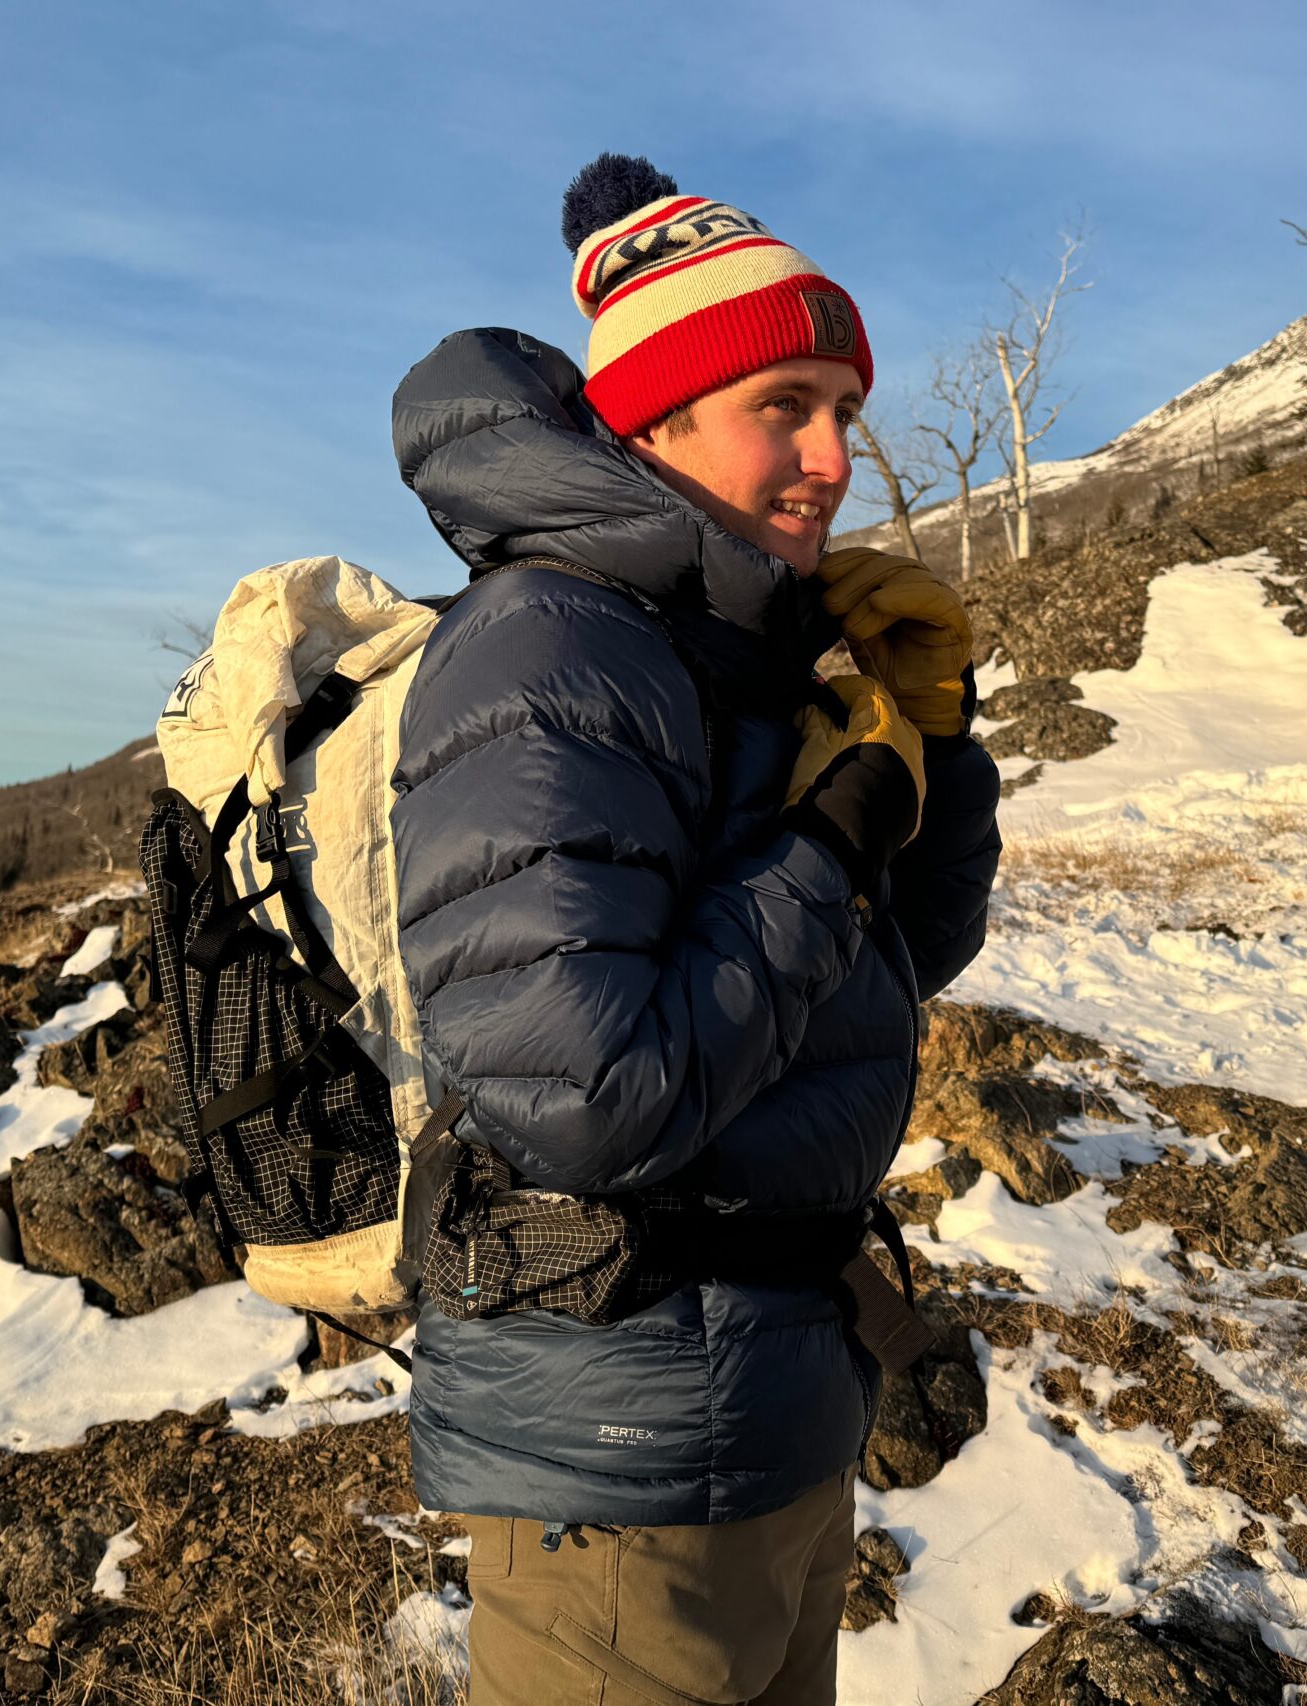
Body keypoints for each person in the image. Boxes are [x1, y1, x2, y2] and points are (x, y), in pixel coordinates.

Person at [387, 153, 1001, 1705]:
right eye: (781, 406)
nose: (831, 457)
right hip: (625, 1461)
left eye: (843, 411)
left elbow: (898, 968)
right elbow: (587, 1093)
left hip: (774, 1408)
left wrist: (935, 739)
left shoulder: (743, 643)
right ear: (656, 417)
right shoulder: (551, 649)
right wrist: (822, 841)